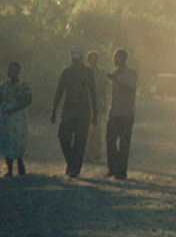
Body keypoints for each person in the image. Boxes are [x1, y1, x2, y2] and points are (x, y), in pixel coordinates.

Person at [50, 48, 99, 177]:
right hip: (69, 110)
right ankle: (72, 164)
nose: (75, 62)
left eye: (76, 60)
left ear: (80, 59)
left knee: (80, 141)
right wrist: (54, 110)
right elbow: (59, 91)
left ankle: (74, 168)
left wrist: (95, 113)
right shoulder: (66, 72)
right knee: (64, 138)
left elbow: (93, 93)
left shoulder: (87, 72)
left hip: (83, 111)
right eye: (74, 60)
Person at [106, 49, 140, 178]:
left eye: (117, 58)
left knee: (124, 144)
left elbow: (130, 90)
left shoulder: (131, 73)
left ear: (124, 59)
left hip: (126, 113)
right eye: (114, 57)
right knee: (110, 141)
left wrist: (116, 80)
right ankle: (113, 168)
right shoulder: (114, 72)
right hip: (114, 112)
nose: (115, 60)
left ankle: (121, 171)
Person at [0, 61, 32, 177]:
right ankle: (9, 169)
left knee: (18, 140)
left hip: (18, 116)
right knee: (6, 140)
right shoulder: (3, 85)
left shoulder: (23, 86)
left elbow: (28, 100)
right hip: (5, 115)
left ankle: (20, 162)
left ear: (18, 72)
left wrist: (16, 108)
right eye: (9, 70)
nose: (11, 72)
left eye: (14, 70)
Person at [83, 49, 107, 161]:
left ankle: (96, 152)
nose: (93, 61)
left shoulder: (101, 72)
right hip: (86, 103)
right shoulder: (84, 72)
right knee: (87, 129)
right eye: (91, 58)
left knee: (97, 129)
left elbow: (103, 89)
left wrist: (104, 103)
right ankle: (88, 153)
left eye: (95, 58)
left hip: (97, 103)